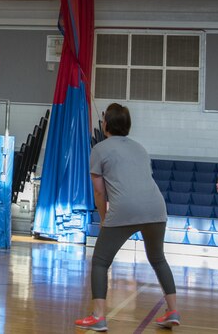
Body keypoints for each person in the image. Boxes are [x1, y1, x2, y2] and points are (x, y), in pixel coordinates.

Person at [75, 103, 179, 332]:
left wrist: (103, 220)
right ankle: (173, 310)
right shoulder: (140, 148)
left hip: (125, 208)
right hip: (156, 207)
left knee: (101, 261)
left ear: (106, 125)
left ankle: (99, 316)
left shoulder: (99, 149)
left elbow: (100, 192)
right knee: (158, 259)